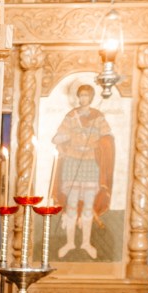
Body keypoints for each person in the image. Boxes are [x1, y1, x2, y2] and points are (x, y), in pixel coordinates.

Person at [52, 83, 114, 259]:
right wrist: (70, 136)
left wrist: (96, 142)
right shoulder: (71, 116)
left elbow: (108, 138)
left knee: (88, 205)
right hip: (72, 162)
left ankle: (86, 243)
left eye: (87, 95)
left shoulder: (98, 117)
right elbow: (57, 138)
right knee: (71, 204)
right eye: (81, 95)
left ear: (91, 97)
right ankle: (70, 243)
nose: (83, 98)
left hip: (90, 164)